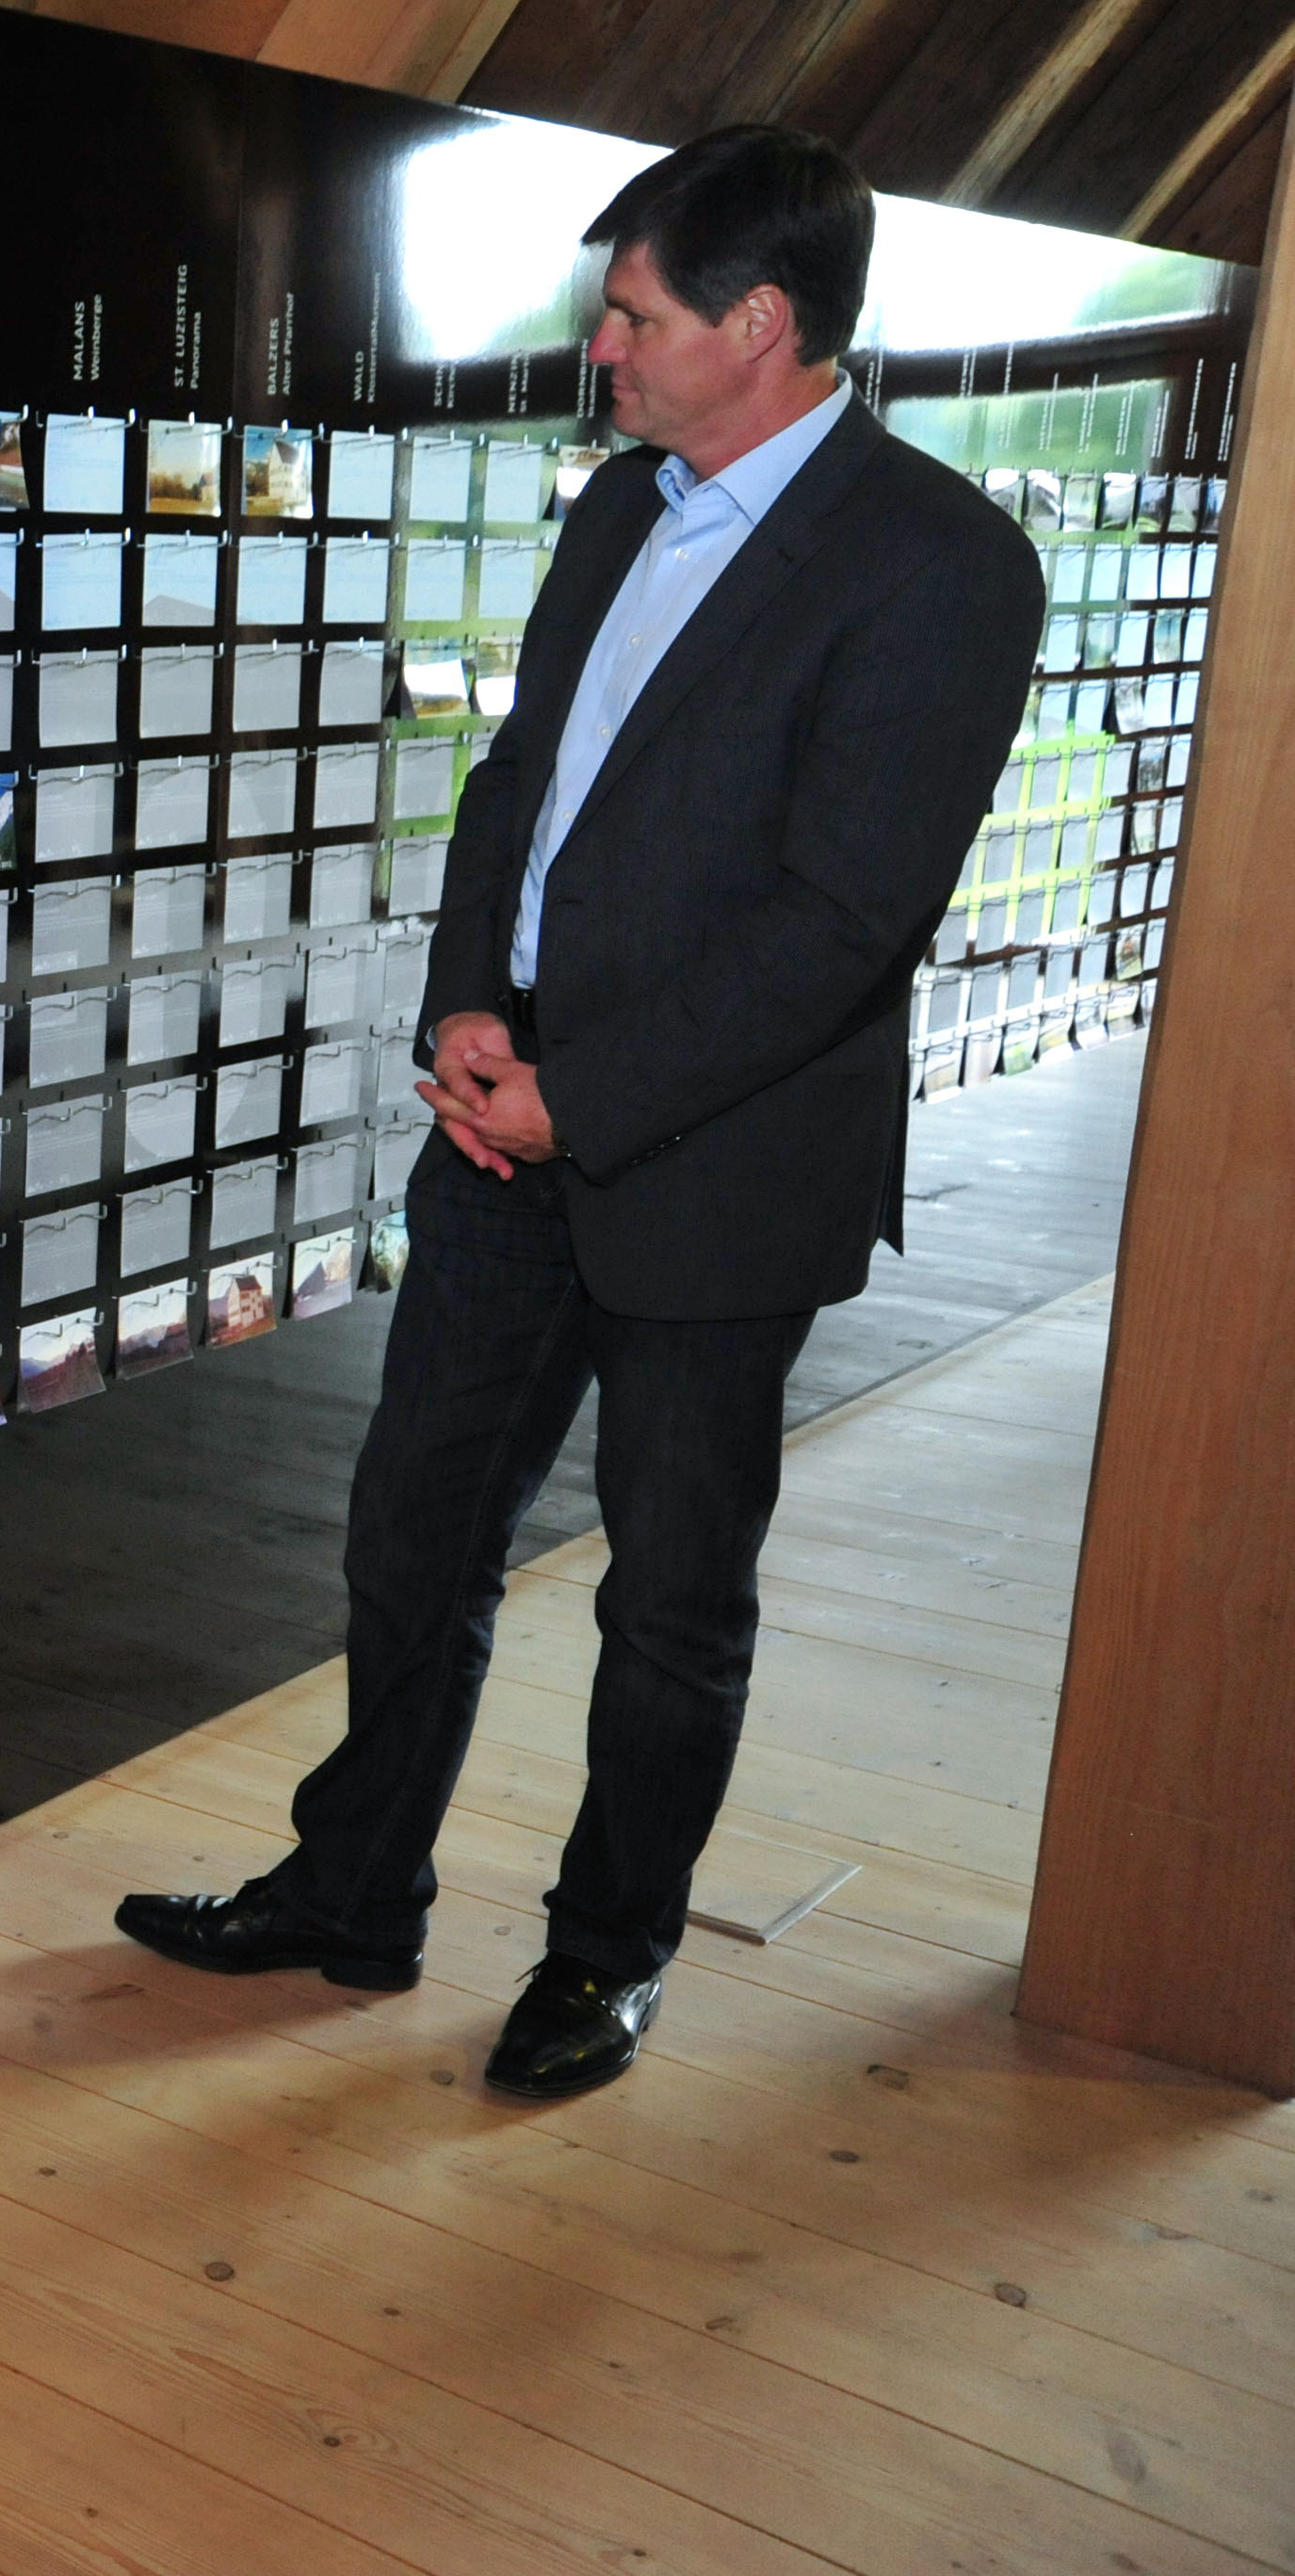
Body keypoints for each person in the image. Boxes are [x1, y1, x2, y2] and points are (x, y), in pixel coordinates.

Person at [115, 124, 1041, 2097]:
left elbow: (844, 921)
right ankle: (353, 1891)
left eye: (631, 313)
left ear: (759, 323)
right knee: (410, 1532)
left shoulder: (942, 562)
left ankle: (605, 1956)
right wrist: (468, 1007)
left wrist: (578, 1096)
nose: (599, 347)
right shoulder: (621, 509)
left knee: (669, 1599)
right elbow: (514, 784)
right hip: (503, 1123)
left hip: (714, 1161)